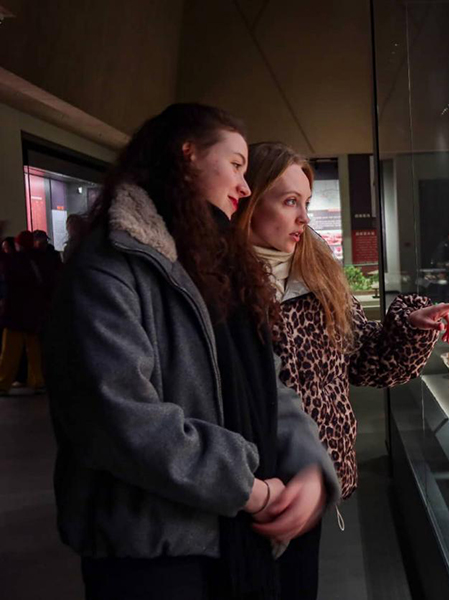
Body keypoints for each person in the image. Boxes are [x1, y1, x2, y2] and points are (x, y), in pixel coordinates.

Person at [43, 104, 339, 600]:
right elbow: (118, 417)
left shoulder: (218, 263)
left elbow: (268, 384)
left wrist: (308, 463)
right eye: (236, 166)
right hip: (151, 552)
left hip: (235, 537)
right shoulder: (111, 265)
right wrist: (251, 487)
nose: (243, 187)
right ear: (187, 156)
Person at [234, 141, 449, 598]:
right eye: (289, 201)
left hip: (308, 479)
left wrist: (411, 325)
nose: (304, 217)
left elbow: (364, 359)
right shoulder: (215, 282)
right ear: (248, 200)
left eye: (305, 202)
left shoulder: (316, 271)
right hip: (243, 483)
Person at [0, 230, 46, 395]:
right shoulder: (39, 259)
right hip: (33, 312)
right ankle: (38, 381)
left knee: (9, 351)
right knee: (34, 350)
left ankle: (3, 383)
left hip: (15, 312)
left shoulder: (16, 260)